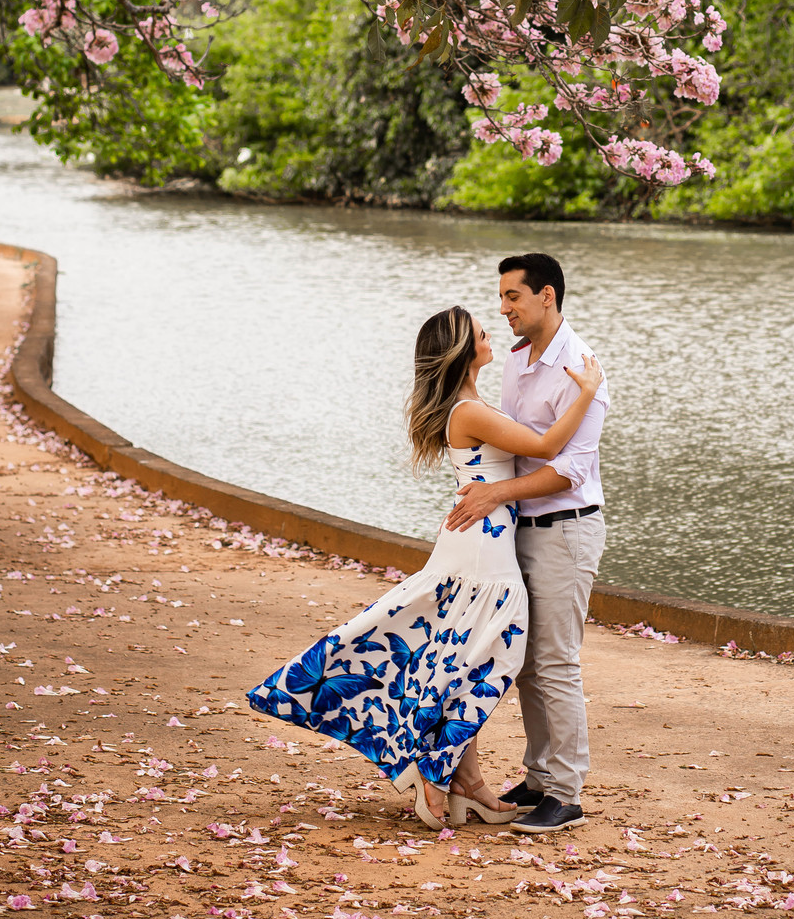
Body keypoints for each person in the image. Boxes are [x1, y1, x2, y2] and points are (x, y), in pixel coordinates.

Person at [246, 305, 603, 831]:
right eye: (482, 333)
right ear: (462, 351)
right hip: (485, 551)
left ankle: (462, 779)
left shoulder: (473, 404)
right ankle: (440, 772)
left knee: (465, 659)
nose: (492, 334)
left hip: (481, 540)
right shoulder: (468, 410)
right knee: (482, 660)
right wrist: (588, 391)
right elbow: (549, 447)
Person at [446, 252, 606, 834]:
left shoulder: (581, 367)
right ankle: (540, 778)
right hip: (519, 532)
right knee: (525, 663)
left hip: (566, 528)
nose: (503, 307)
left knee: (556, 662)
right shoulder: (517, 362)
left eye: (512, 296)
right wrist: (478, 486)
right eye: (501, 298)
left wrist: (494, 494)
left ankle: (565, 794)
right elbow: (506, 441)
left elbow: (570, 469)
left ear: (547, 296)